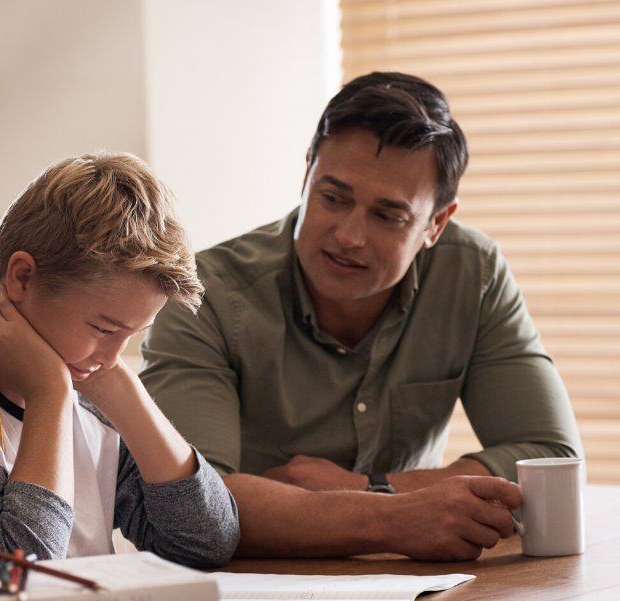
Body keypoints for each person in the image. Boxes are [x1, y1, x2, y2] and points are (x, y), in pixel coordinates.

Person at [140, 72, 583, 561]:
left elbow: (551, 459)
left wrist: (371, 487)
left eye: (388, 215)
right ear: (306, 173)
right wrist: (395, 515)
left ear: (436, 223)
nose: (349, 235)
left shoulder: (472, 273)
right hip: (258, 588)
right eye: (333, 198)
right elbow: (190, 504)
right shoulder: (205, 292)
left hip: (429, 589)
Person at [0, 152, 240, 594]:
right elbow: (8, 578)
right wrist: (48, 395)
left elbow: (205, 542)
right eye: (103, 328)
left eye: (132, 335)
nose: (112, 356)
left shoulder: (91, 389)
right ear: (21, 278)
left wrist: (126, 396)